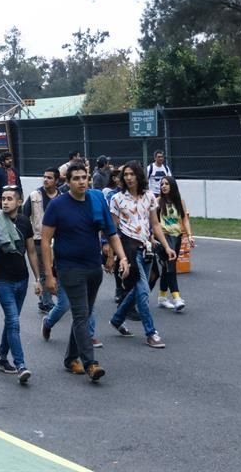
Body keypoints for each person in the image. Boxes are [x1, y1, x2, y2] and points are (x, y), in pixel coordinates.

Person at [41, 161, 129, 382]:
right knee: (81, 314)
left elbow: (111, 232)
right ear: (68, 182)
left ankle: (71, 358)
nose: (82, 181)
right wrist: (49, 276)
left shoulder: (97, 200)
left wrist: (122, 257)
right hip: (69, 268)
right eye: (76, 178)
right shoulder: (58, 205)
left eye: (84, 177)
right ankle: (90, 363)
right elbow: (44, 240)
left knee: (85, 314)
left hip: (93, 267)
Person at [107, 161, 175, 349]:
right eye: (125, 175)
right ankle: (151, 333)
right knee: (143, 291)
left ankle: (117, 318)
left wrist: (166, 246)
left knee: (138, 289)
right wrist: (112, 254)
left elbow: (155, 224)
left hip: (147, 249)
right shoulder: (117, 199)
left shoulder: (150, 197)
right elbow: (112, 229)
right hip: (128, 248)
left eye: (131, 174)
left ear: (139, 176)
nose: (128, 178)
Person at [0, 185, 40, 384]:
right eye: (3, 198)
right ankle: (21, 364)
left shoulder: (24, 222)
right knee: (13, 321)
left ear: (19, 202)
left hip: (22, 279)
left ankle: (2, 357)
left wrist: (38, 279)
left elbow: (31, 251)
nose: (5, 202)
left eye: (9, 199)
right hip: (2, 280)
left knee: (11, 321)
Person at [22, 167, 60, 315]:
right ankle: (47, 302)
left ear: (57, 180)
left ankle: (46, 299)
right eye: (44, 177)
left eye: (49, 177)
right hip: (38, 239)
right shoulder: (34, 196)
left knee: (56, 270)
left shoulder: (61, 197)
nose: (46, 180)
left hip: (58, 240)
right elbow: (24, 216)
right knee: (44, 272)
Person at [155, 176, 193, 310]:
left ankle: (162, 297)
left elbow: (185, 219)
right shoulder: (158, 201)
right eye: (162, 184)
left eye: (166, 184)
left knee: (167, 267)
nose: (163, 186)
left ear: (172, 186)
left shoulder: (180, 202)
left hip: (177, 236)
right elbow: (154, 223)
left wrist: (189, 235)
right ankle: (176, 297)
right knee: (171, 267)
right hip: (163, 238)